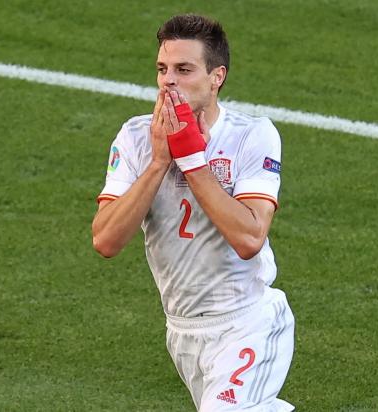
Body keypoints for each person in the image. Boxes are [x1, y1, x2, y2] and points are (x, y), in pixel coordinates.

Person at [92, 14, 295, 411]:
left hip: (246, 321)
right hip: (183, 331)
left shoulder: (251, 135)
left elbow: (250, 238)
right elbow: (105, 240)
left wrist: (192, 161)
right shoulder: (136, 137)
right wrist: (157, 163)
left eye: (184, 69)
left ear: (217, 76)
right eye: (162, 69)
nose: (169, 80)